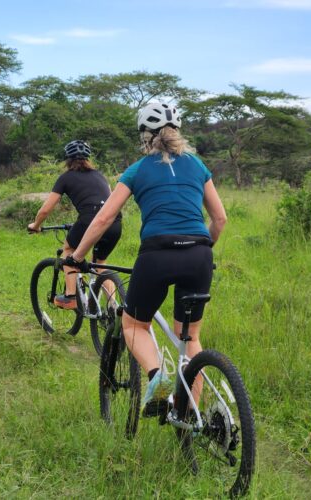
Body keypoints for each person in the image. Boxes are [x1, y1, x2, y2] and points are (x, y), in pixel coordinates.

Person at [66, 103, 227, 410]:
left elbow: (102, 219)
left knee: (135, 325)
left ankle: (158, 379)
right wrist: (201, 251)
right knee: (190, 338)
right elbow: (220, 220)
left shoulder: (137, 169)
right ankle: (191, 419)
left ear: (145, 135)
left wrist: (77, 255)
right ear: (177, 131)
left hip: (157, 254)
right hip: (199, 253)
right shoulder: (196, 165)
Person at [28, 140, 122, 309]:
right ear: (88, 158)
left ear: (67, 159)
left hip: (89, 220)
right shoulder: (100, 175)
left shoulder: (66, 177)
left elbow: (45, 210)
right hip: (114, 221)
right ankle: (114, 308)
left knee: (69, 250)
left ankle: (71, 296)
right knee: (100, 263)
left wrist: (35, 225)